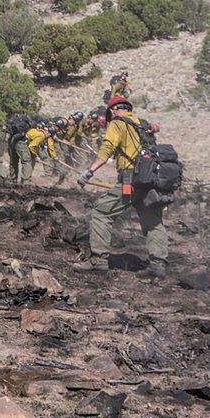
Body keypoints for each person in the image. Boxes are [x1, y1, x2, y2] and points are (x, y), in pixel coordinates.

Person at [74, 95, 169, 280]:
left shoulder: (117, 124)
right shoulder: (143, 124)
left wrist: (89, 171)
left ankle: (98, 261)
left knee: (102, 211)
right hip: (149, 180)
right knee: (153, 221)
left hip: (131, 179)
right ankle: (158, 265)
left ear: (112, 110)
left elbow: (107, 148)